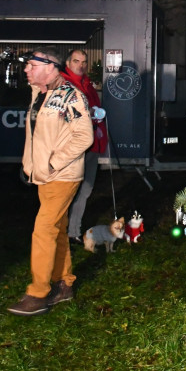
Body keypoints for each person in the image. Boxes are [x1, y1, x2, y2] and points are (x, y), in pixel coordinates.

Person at [9, 46, 94, 317]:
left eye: (32, 65)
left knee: (44, 229)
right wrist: (33, 165)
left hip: (63, 175)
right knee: (57, 228)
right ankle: (64, 283)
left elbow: (84, 137)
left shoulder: (71, 96)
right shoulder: (39, 93)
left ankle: (38, 293)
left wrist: (53, 163)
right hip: (45, 175)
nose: (26, 69)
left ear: (50, 67)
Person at [61, 48, 109, 246]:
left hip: (92, 145)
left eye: (83, 62)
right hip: (75, 147)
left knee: (86, 190)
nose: (80, 65)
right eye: (76, 61)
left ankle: (73, 232)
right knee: (69, 190)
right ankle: (61, 231)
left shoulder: (87, 85)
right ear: (68, 63)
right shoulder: (63, 84)